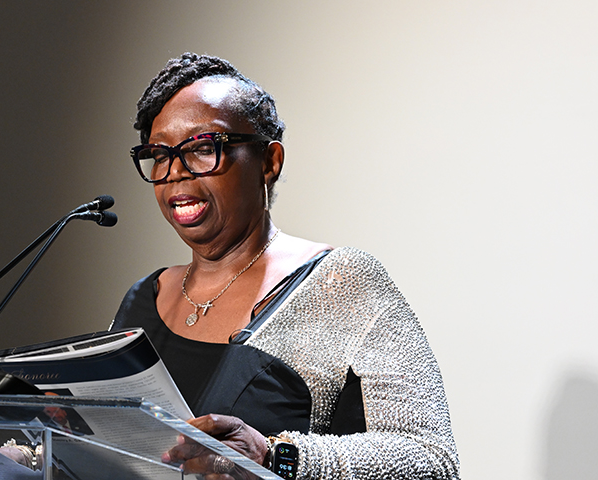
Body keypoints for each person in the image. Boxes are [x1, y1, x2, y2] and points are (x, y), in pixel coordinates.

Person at [111, 52, 460, 480]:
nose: (175, 172)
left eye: (202, 148)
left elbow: (433, 460)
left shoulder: (342, 283)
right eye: (160, 154)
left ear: (269, 162)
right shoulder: (142, 298)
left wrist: (272, 456)